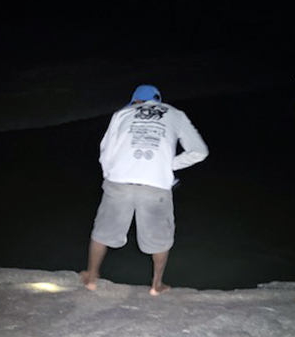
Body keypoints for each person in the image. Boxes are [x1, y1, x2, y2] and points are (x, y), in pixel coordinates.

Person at [80, 84, 209, 295]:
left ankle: (91, 278)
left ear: (135, 101)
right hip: (155, 184)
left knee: (102, 232)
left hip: (119, 180)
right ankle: (156, 285)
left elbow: (105, 151)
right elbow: (200, 152)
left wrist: (111, 174)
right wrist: (168, 165)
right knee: (160, 240)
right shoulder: (175, 114)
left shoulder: (122, 113)